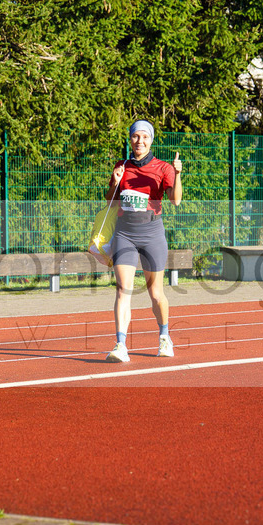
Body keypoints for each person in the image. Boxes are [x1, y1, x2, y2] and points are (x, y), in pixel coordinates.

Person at [104, 119, 183, 362]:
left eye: (145, 137)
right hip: (125, 233)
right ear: (130, 139)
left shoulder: (163, 168)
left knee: (155, 293)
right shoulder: (122, 166)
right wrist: (115, 183)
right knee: (122, 289)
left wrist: (178, 174)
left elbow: (175, 200)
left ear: (151, 140)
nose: (140, 141)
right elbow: (110, 202)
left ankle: (164, 337)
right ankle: (120, 345)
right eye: (136, 137)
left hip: (151, 234)